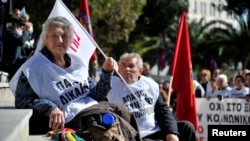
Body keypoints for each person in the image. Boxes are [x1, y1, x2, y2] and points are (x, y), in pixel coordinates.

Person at [13, 17, 141, 140]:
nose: (60, 40)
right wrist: (50, 107)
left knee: (123, 113)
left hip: (94, 110)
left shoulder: (77, 63)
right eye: (54, 36)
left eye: (64, 36)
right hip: (71, 120)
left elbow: (96, 95)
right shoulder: (33, 68)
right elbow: (21, 100)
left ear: (70, 40)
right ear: (45, 39)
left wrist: (107, 73)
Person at [107, 52, 196, 141]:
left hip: (156, 130)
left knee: (187, 127)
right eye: (123, 65)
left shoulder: (150, 84)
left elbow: (162, 111)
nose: (126, 69)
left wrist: (171, 132)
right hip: (134, 135)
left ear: (140, 70)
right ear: (118, 68)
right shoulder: (110, 86)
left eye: (131, 66)